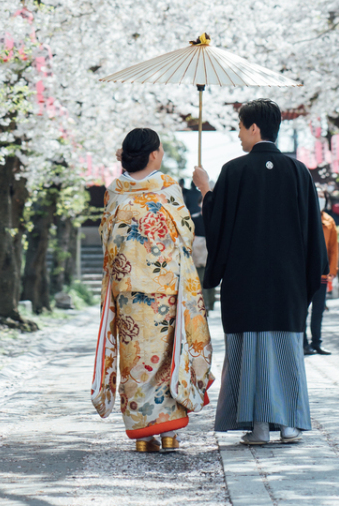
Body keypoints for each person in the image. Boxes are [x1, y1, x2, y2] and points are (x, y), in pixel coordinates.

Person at [193, 99, 327, 446]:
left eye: (239, 127)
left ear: (254, 128)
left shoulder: (235, 170)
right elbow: (313, 230)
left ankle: (259, 427)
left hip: (246, 278)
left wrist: (206, 189)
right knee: (287, 348)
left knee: (251, 347)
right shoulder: (299, 171)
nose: (237, 135)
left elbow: (218, 223)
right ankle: (290, 424)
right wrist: (313, 276)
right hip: (288, 280)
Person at [92, 128, 213, 452]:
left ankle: (142, 434)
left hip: (128, 288)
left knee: (134, 357)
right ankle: (169, 431)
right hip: (165, 287)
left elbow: (107, 235)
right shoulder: (167, 186)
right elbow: (185, 232)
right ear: (154, 154)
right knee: (166, 354)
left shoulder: (114, 190)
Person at [304, 190, 339, 356]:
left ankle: (316, 342)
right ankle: (303, 343)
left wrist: (332, 270)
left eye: (323, 197)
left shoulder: (329, 221)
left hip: (322, 273)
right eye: (316, 196)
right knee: (302, 310)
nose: (320, 200)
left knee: (318, 310)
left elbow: (334, 248)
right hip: (303, 274)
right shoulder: (302, 216)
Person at [180, 178, 216, 313]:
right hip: (199, 251)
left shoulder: (198, 218)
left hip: (206, 250)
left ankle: (209, 303)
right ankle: (206, 303)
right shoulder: (194, 218)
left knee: (207, 278)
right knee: (201, 278)